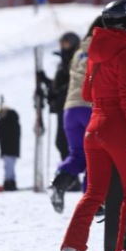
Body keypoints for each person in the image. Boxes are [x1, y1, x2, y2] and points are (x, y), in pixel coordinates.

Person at [60, 0, 126, 251]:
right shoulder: (124, 50)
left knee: (93, 192)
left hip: (94, 125)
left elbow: (88, 93)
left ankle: (72, 247)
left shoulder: (94, 47)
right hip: (117, 125)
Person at [50, 19, 102, 213]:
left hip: (70, 110)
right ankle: (93, 201)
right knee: (96, 155)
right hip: (90, 107)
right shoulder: (102, 48)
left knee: (77, 154)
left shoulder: (78, 52)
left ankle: (58, 182)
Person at [37, 32, 81, 162]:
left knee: (67, 143)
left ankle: (71, 176)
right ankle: (68, 175)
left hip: (72, 107)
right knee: (61, 143)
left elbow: (74, 83)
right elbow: (57, 86)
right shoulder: (63, 62)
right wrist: (44, 80)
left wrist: (58, 92)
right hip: (61, 106)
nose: (62, 47)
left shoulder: (77, 60)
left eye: (65, 44)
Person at [0, 106, 21, 191]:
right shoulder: (15, 122)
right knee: (11, 166)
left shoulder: (4, 122)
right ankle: (11, 181)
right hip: (14, 149)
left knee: (8, 167)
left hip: (6, 148)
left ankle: (8, 182)